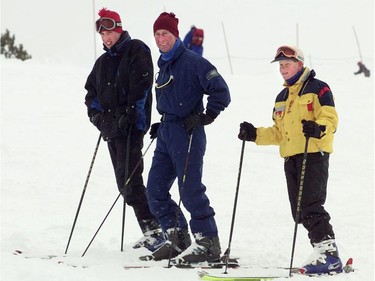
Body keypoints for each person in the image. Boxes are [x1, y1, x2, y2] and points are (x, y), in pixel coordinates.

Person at [238, 46, 343, 275]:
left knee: (311, 204)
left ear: (299, 64)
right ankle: (321, 251)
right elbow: (278, 132)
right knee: (299, 210)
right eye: (281, 65)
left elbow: (330, 119)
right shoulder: (282, 97)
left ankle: (329, 254)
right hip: (291, 156)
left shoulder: (318, 88)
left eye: (287, 64)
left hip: (313, 153)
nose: (283, 69)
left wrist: (318, 128)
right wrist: (254, 134)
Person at [144, 12, 231, 263]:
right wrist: (162, 124)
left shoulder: (193, 62)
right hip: (167, 132)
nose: (161, 39)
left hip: (188, 131)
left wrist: (207, 116)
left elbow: (221, 91)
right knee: (155, 189)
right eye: (158, 34)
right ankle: (177, 237)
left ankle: (207, 241)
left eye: (165, 34)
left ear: (176, 35)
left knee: (190, 189)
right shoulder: (163, 65)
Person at [84, 8, 165, 252]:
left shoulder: (136, 49)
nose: (107, 38)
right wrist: (97, 117)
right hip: (111, 128)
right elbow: (91, 94)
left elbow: (142, 83)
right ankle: (152, 229)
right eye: (103, 34)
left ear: (119, 29)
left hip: (131, 126)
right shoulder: (102, 63)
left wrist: (131, 113)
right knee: (124, 183)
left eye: (110, 32)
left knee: (131, 181)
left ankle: (157, 230)